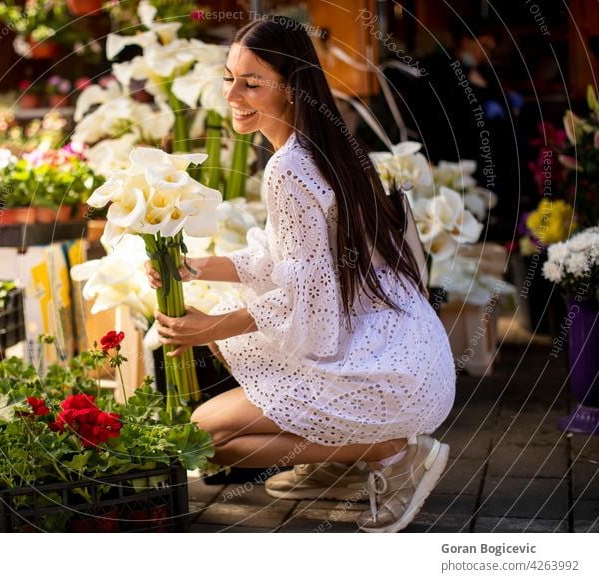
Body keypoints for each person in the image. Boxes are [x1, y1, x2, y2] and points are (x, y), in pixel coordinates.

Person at [145, 16, 456, 533]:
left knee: (204, 440)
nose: (233, 94)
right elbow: (285, 263)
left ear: (290, 88)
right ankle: (347, 457)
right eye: (229, 78)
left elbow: (309, 303)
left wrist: (210, 329)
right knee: (212, 422)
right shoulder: (327, 147)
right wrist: (194, 266)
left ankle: (386, 450)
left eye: (251, 82)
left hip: (381, 369)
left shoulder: (287, 168)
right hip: (408, 356)